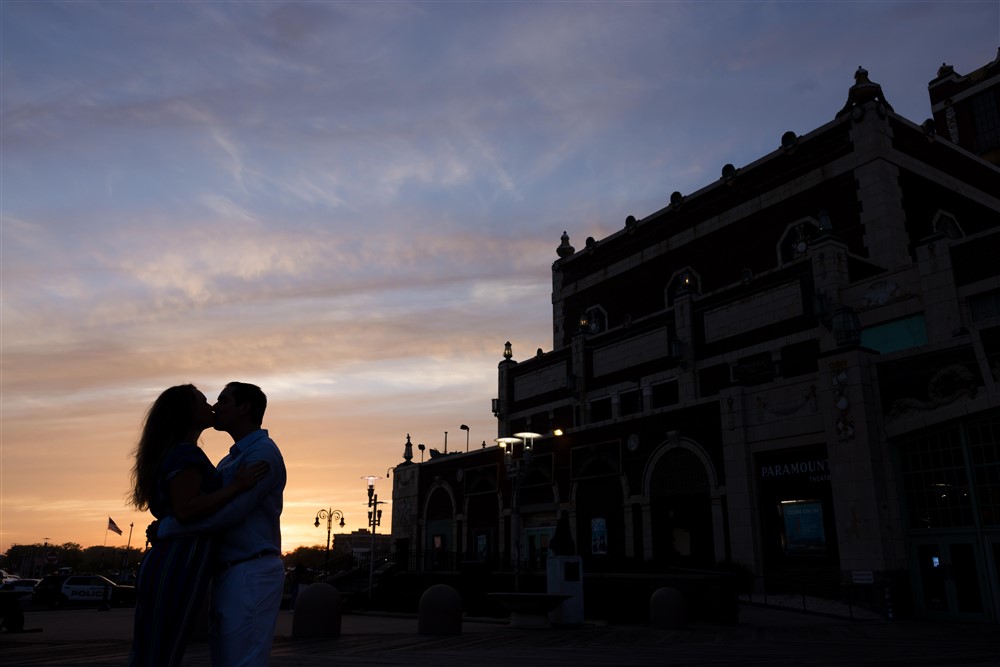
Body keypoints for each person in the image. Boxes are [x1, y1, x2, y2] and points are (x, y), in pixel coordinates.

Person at [128, 384, 269, 667]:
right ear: (187, 413)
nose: (212, 407)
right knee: (162, 649)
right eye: (204, 401)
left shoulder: (178, 453)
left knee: (156, 646)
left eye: (218, 401)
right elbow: (186, 509)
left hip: (176, 558)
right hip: (179, 560)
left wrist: (163, 527)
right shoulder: (186, 455)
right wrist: (236, 487)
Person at [157, 381, 287, 667]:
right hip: (232, 570)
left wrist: (167, 528)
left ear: (245, 407)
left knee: (243, 659)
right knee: (228, 657)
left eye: (224, 401)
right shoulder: (232, 458)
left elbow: (232, 513)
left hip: (250, 569)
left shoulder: (262, 454)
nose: (216, 407)